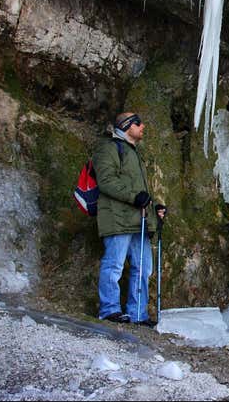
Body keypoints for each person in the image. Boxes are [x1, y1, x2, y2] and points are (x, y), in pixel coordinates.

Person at [93, 112, 166, 326]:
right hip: (117, 218)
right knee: (114, 264)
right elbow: (106, 181)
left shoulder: (133, 152)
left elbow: (140, 191)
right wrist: (135, 197)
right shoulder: (109, 148)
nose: (143, 125)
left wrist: (155, 211)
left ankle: (137, 314)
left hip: (138, 220)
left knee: (143, 267)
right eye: (138, 122)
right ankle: (109, 310)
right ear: (126, 126)